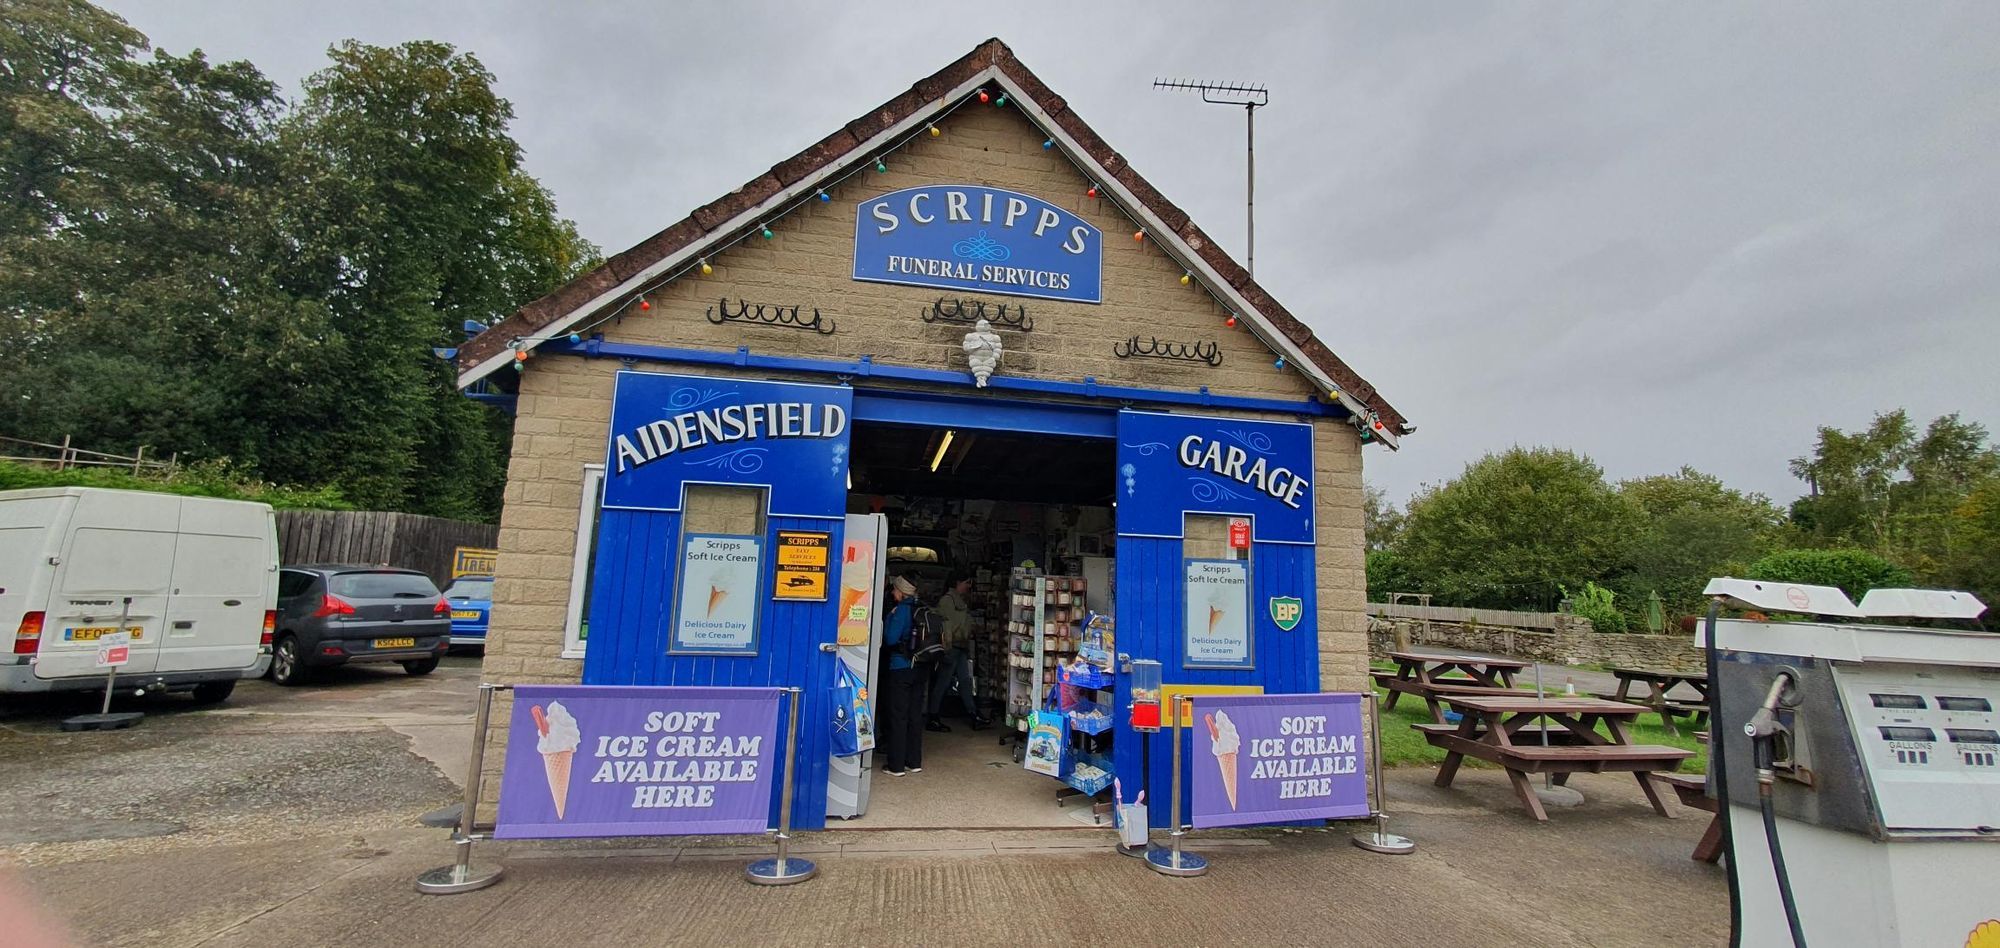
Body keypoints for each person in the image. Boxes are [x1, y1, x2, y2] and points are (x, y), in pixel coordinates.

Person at [928, 576, 991, 731]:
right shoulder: (948, 601)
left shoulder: (958, 600)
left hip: (960, 646)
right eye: (967, 582)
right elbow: (947, 625)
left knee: (964, 681)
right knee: (945, 681)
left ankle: (973, 714)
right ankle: (933, 716)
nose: (969, 586)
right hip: (952, 646)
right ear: (958, 583)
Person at [878, 575, 925, 775]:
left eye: (895, 589)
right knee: (915, 715)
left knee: (898, 716)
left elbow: (890, 638)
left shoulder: (902, 610)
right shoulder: (921, 608)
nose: (892, 592)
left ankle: (896, 765)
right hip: (920, 667)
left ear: (901, 591)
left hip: (901, 667)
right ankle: (914, 761)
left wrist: (889, 617)